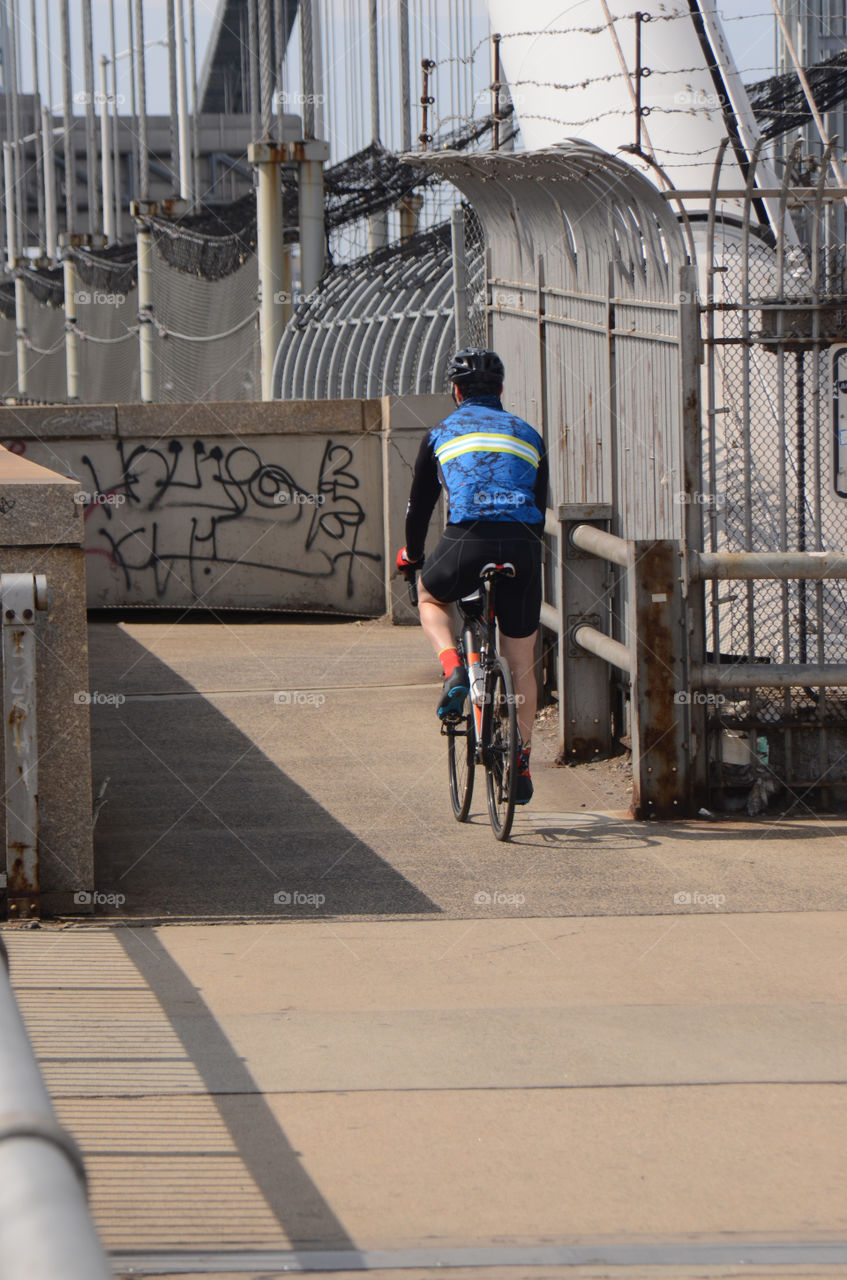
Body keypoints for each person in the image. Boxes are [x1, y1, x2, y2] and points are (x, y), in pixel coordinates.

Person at [396, 348, 548, 805]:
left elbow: (418, 508)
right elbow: (539, 508)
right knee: (521, 661)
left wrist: (413, 556)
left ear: (456, 391)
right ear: (501, 391)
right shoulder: (529, 433)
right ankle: (520, 762)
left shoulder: (440, 433)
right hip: (522, 546)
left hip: (466, 542)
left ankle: (454, 668)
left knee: (430, 597)